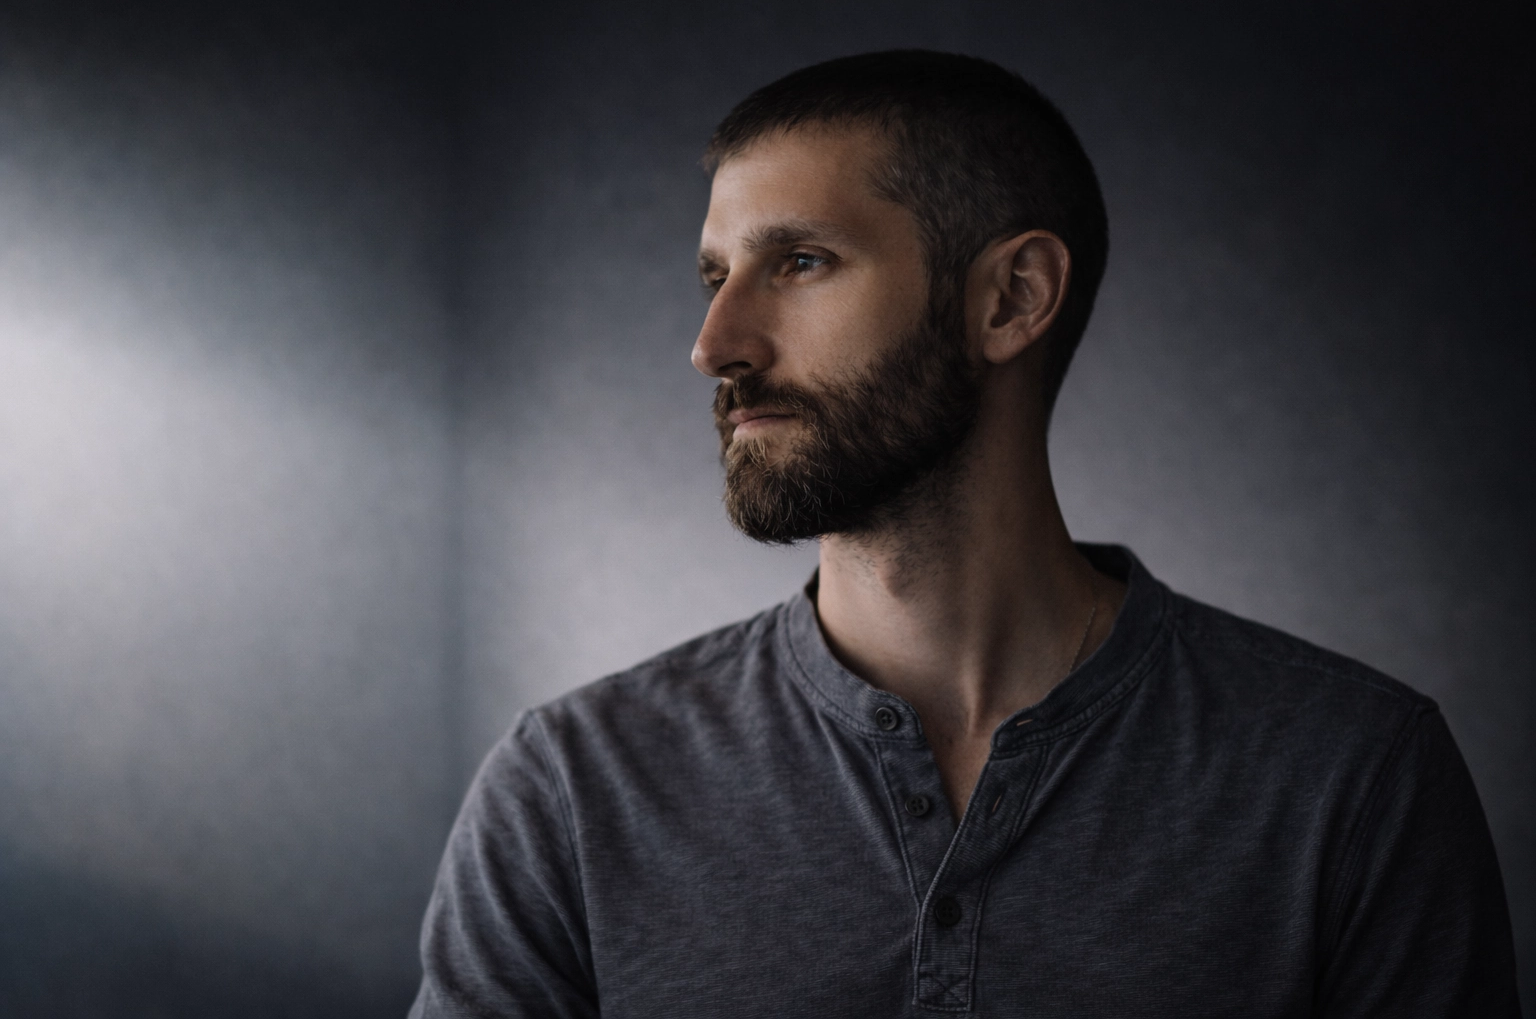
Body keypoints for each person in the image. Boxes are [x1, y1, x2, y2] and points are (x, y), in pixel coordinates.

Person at [409, 50, 1519, 1017]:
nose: (715, 342)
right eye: (715, 275)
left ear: (1011, 299)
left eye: (800, 262)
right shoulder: (572, 789)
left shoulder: (1349, 777)